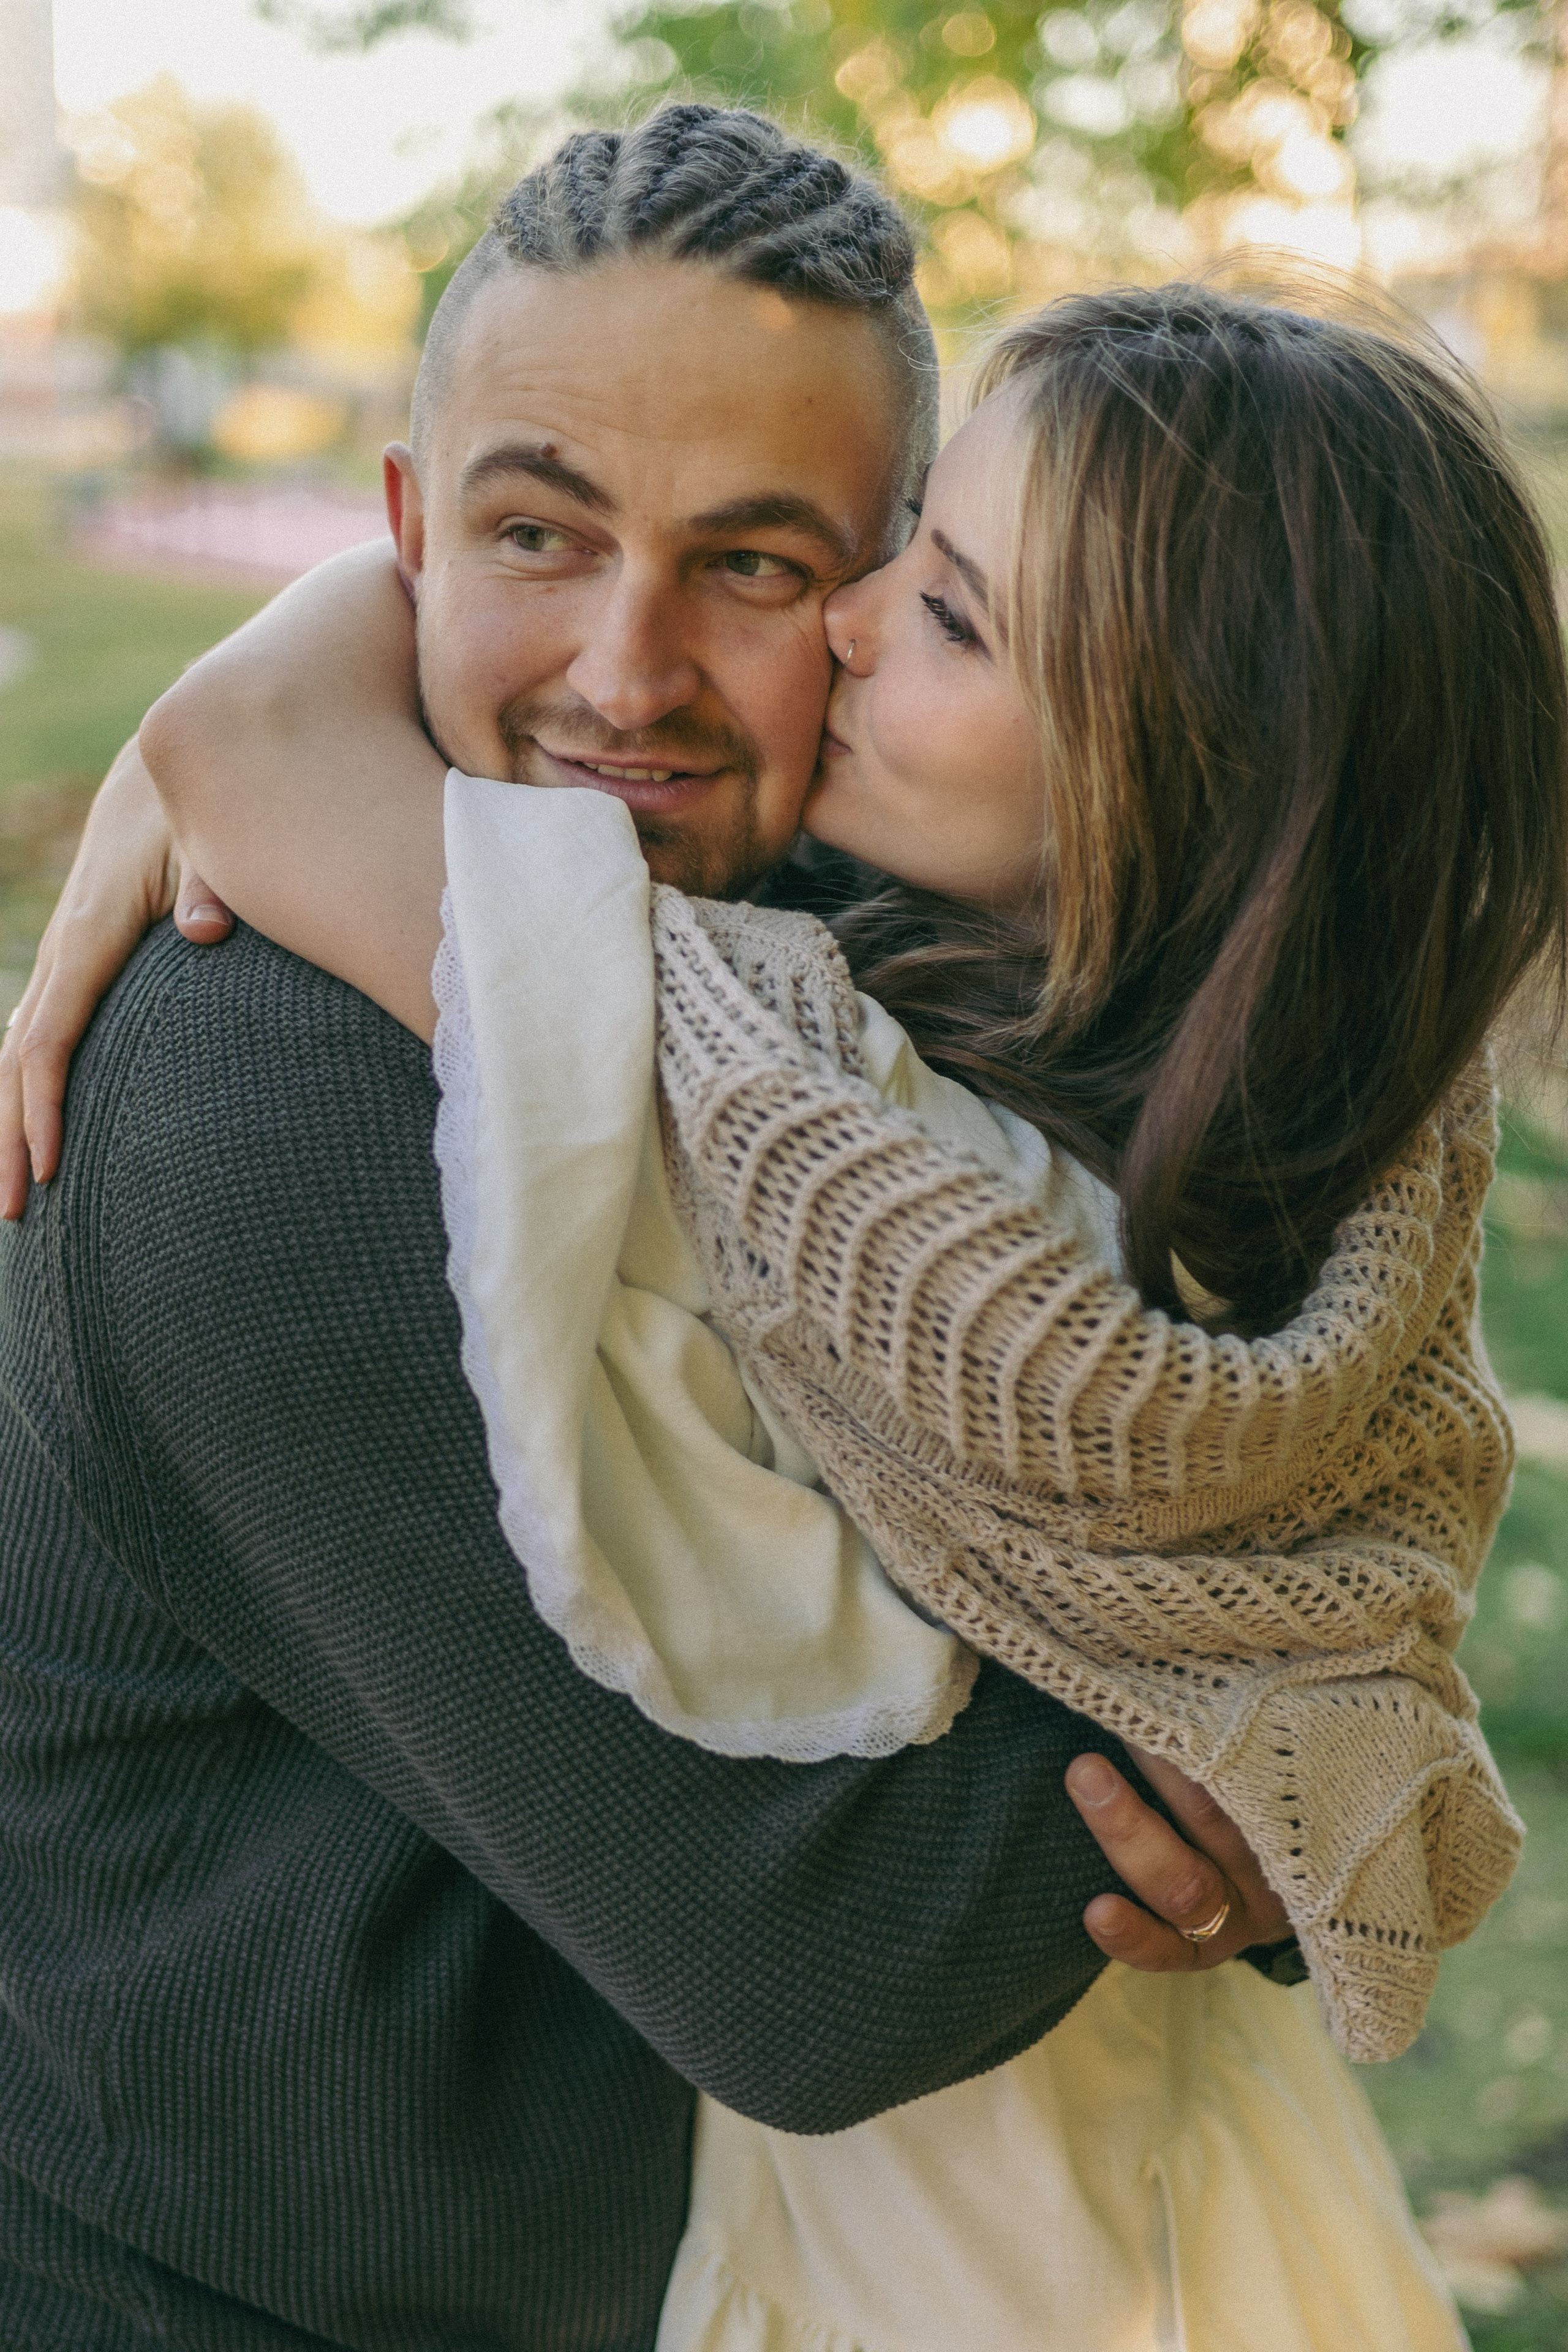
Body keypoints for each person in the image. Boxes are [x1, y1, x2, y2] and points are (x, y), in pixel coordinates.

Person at [83, 252, 1562, 2347]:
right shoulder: (772, 1003)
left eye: (922, 596)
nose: (848, 628)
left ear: (1185, 787)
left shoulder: (829, 1055)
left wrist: (1266, 1753)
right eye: (528, 534)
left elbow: (279, 764)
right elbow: (244, 740)